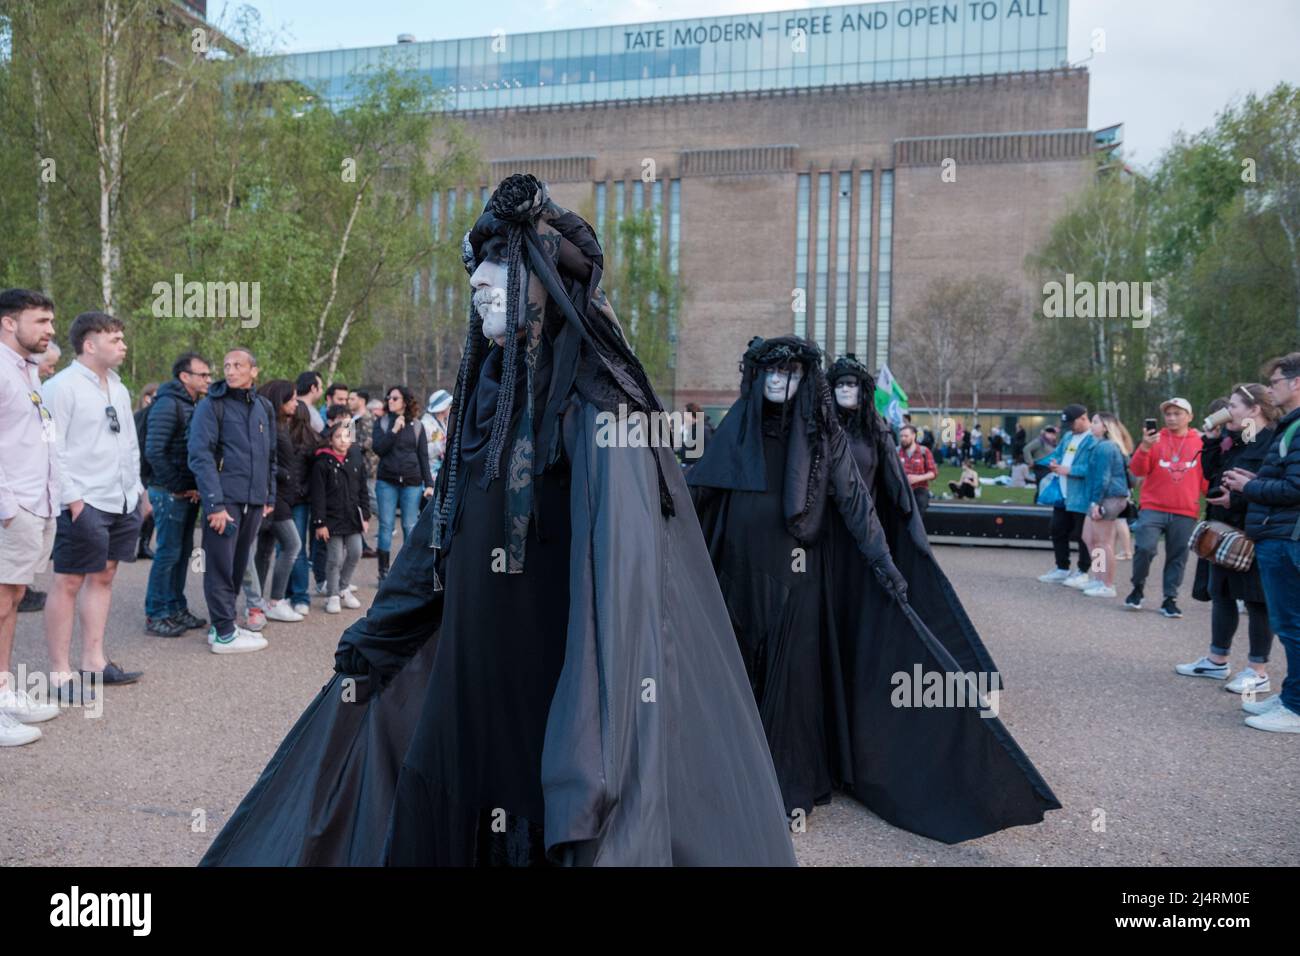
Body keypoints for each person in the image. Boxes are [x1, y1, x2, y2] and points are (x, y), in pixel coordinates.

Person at [202, 174, 795, 866]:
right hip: (470, 653)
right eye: (476, 265)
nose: (480, 282)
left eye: (504, 267)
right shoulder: (489, 389)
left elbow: (624, 574)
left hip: (549, 662)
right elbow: (443, 527)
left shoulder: (601, 403)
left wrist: (602, 746)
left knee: (520, 806)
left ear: (547, 282)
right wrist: (384, 629)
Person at [688, 335, 1059, 843]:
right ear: (756, 376)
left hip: (797, 578)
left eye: (791, 372)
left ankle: (780, 785)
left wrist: (885, 566)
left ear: (804, 379)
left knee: (792, 679)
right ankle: (729, 775)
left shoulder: (821, 435)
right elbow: (698, 490)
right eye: (771, 372)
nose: (779, 381)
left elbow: (857, 502)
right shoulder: (736, 428)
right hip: (736, 573)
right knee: (738, 670)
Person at [41, 311, 147, 698]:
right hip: (82, 501)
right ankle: (59, 673)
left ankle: (93, 661)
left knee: (104, 576)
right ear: (89, 344)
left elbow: (129, 443)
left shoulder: (117, 387)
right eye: (115, 339)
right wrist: (73, 499)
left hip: (120, 499)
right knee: (68, 580)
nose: (123, 346)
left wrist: (136, 490)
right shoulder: (61, 387)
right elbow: (51, 446)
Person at [1176, 384, 1278, 690]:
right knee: (1221, 592)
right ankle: (1216, 661)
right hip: (1223, 530)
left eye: (1234, 405)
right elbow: (1210, 474)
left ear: (1254, 409)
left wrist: (1236, 501)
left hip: (1254, 529)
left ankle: (1257, 670)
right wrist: (1211, 440)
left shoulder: (1272, 441)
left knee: (1257, 600)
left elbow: (1272, 488)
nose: (1227, 411)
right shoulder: (1236, 439)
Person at [1222, 352, 1300, 733]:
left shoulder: (1294, 427)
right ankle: (1291, 697)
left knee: (1292, 625)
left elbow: (1296, 487)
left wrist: (1248, 486)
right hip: (1278, 534)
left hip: (1288, 537)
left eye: (1276, 382)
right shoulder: (1291, 425)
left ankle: (1297, 708)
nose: (1272, 389)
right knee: (1288, 625)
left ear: (1296, 383)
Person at [0, 289, 61, 744]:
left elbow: (41, 438)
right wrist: (7, 507)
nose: (50, 331)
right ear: (9, 322)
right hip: (11, 506)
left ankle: (2, 691)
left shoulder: (29, 373)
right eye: (41, 321)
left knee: (12, 599)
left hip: (35, 502)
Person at [187, 348, 276, 654]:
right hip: (225, 501)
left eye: (238, 365)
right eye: (226, 365)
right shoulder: (212, 405)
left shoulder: (264, 406)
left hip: (254, 499)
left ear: (254, 370)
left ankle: (222, 625)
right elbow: (200, 456)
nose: (230, 370)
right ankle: (225, 633)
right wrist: (215, 504)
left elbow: (271, 455)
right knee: (220, 566)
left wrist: (269, 495)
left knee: (238, 565)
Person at [142, 352, 211, 638]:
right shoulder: (168, 404)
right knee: (168, 553)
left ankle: (175, 607)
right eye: (203, 375)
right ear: (185, 377)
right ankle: (156, 613)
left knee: (181, 553)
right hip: (168, 491)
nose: (208, 379)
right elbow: (154, 451)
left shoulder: (191, 403)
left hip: (183, 491)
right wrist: (178, 486)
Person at [1125, 398, 1206, 617]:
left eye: (1177, 414)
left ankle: (1170, 598)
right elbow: (1138, 470)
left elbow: (1206, 476)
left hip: (1185, 510)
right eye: (1168, 414)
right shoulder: (1155, 440)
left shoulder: (1200, 442)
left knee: (1178, 556)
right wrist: (1144, 447)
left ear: (1189, 417)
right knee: (1145, 547)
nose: (1171, 418)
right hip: (1153, 506)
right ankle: (1137, 588)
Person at [252, 380, 306, 624]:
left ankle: (258, 603)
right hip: (275, 497)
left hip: (280, 495)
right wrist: (284, 474)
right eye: (292, 399)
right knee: (292, 545)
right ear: (280, 399)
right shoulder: (270, 424)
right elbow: (265, 461)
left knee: (265, 550)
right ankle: (274, 600)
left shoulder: (280, 424)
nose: (296, 403)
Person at [371, 384, 433, 582]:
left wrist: (429, 484)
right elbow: (379, 449)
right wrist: (394, 430)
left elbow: (423, 456)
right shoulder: (381, 423)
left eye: (395, 398)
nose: (390, 400)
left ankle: (409, 571)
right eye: (388, 397)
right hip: (386, 482)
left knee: (409, 525)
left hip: (412, 482)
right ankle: (384, 573)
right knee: (386, 525)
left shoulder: (417, 425)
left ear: (405, 402)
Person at [310, 415, 369, 614]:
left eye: (346, 436)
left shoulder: (355, 459)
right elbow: (317, 495)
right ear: (331, 439)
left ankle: (344, 587)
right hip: (331, 520)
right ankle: (332, 595)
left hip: (352, 517)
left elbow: (363, 490)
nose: (343, 440)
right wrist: (320, 523)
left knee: (355, 552)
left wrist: (366, 516)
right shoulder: (322, 463)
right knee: (334, 558)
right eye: (338, 437)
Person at [1037, 405, 1095, 589]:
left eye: (1072, 422)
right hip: (1064, 494)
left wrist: (1069, 470)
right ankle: (1062, 567)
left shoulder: (1096, 441)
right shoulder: (1069, 436)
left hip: (1085, 497)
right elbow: (1059, 454)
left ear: (1084, 418)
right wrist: (1054, 462)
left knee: (1092, 539)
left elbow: (1096, 468)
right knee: (1057, 529)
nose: (1069, 426)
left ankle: (1092, 574)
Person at [1079, 412, 1134, 599]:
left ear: (1106, 427)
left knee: (1103, 542)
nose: (1091, 425)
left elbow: (1103, 478)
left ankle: (1107, 584)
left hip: (1108, 498)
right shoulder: (1102, 446)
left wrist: (1096, 502)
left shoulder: (1106, 447)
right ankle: (1099, 577)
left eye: (1095, 422)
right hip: (1103, 497)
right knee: (1089, 538)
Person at [349, 389, 378, 556]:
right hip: (351, 468)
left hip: (367, 468)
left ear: (361, 400)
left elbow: (368, 443)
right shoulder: (349, 418)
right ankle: (362, 543)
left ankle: (386, 523)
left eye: (352, 399)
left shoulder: (368, 418)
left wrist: (349, 447)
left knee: (370, 499)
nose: (349, 401)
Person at [133, 383, 159, 560]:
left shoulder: (156, 418)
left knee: (151, 509)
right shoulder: (137, 417)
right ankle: (129, 542)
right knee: (139, 509)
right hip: (137, 467)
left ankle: (144, 545)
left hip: (150, 469)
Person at [897, 423, 936, 512]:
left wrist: (918, 478)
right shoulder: (896, 452)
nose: (903, 439)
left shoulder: (924, 451)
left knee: (919, 505)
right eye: (901, 436)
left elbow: (933, 473)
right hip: (901, 488)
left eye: (906, 436)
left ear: (914, 436)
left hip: (919, 488)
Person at [420, 389, 453, 483]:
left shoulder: (445, 423)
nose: (451, 407)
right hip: (430, 475)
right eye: (449, 405)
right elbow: (423, 451)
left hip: (442, 473)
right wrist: (444, 444)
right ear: (443, 408)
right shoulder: (426, 424)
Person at [1024, 425, 1059, 500]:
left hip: (1049, 468)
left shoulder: (1052, 443)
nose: (1051, 434)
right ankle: (1037, 505)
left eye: (1053, 433)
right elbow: (1026, 449)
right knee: (1041, 487)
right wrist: (1030, 462)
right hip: (1041, 468)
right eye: (1049, 432)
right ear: (1045, 432)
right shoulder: (1039, 441)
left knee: (1045, 487)